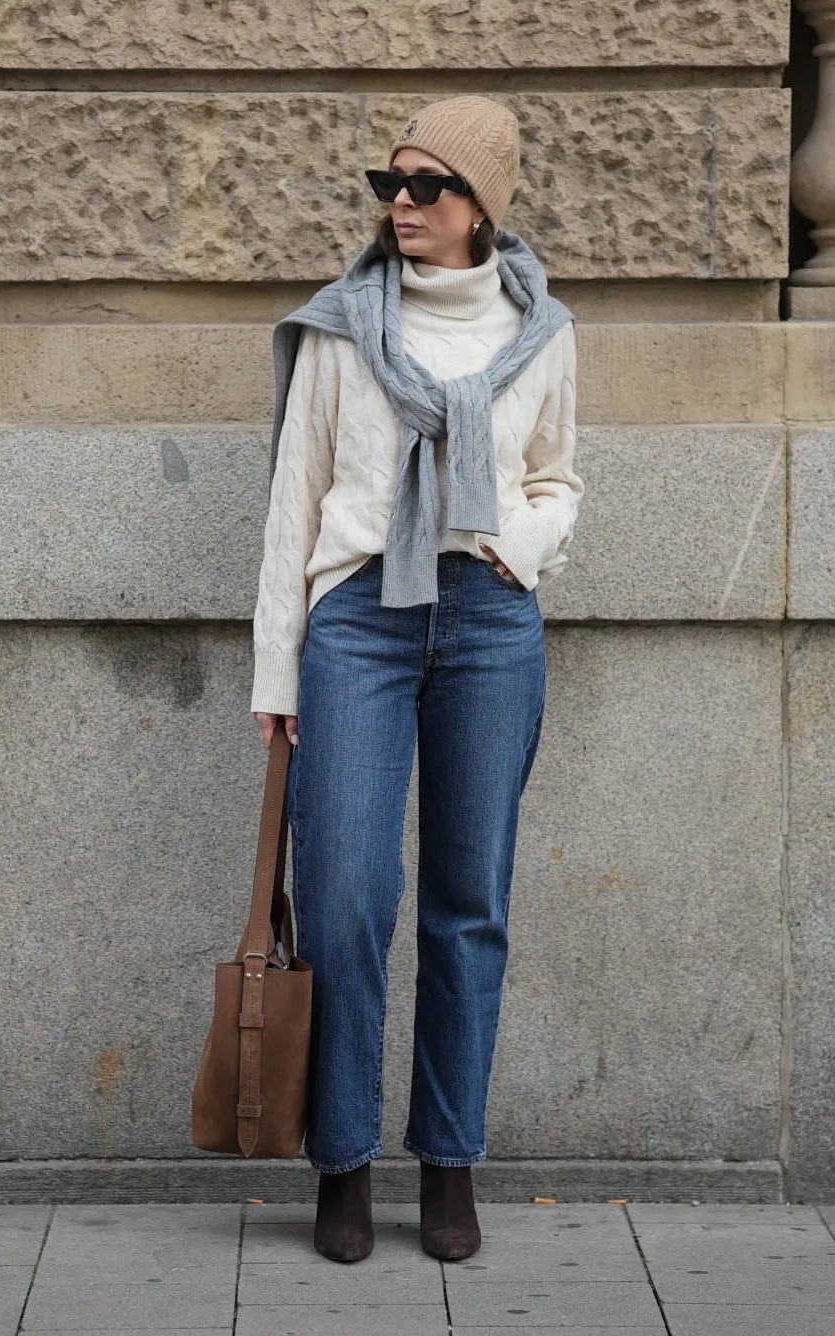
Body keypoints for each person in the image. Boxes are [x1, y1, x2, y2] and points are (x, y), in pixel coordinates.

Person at [249, 95, 582, 1264]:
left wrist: (515, 545)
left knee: (466, 901)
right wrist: (277, 671)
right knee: (343, 892)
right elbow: (293, 501)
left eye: (425, 185)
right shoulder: (342, 328)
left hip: (489, 620)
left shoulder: (540, 332)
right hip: (357, 622)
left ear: (479, 204)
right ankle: (341, 1159)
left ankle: (448, 1161)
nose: (399, 202)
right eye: (387, 183)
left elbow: (557, 477)